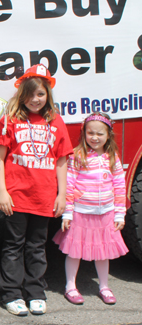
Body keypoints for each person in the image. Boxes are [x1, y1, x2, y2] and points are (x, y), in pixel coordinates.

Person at [0, 64, 73, 317]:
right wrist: (2, 192)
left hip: (44, 196)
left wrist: (61, 195)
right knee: (13, 245)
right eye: (30, 94)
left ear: (47, 94)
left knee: (37, 246)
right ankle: (11, 293)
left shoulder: (56, 121)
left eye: (40, 94)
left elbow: (61, 160)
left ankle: (35, 291)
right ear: (21, 94)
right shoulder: (10, 119)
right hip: (16, 196)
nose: (35, 99)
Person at [53, 113, 128, 305]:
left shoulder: (113, 158)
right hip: (81, 213)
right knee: (74, 252)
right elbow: (69, 185)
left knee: (103, 253)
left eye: (100, 134)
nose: (94, 137)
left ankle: (104, 286)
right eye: (90, 133)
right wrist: (68, 212)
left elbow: (120, 186)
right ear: (84, 133)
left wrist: (120, 213)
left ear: (108, 135)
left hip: (105, 214)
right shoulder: (78, 156)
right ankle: (70, 286)